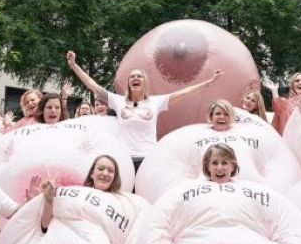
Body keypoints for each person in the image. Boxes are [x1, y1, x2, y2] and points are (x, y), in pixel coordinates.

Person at [66, 50, 222, 169]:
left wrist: (208, 83)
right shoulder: (118, 101)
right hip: (124, 160)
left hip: (148, 159)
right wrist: (74, 65)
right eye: (132, 77)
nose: (135, 78)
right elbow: (94, 86)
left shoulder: (155, 102)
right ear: (128, 83)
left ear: (144, 82)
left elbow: (184, 92)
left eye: (139, 76)